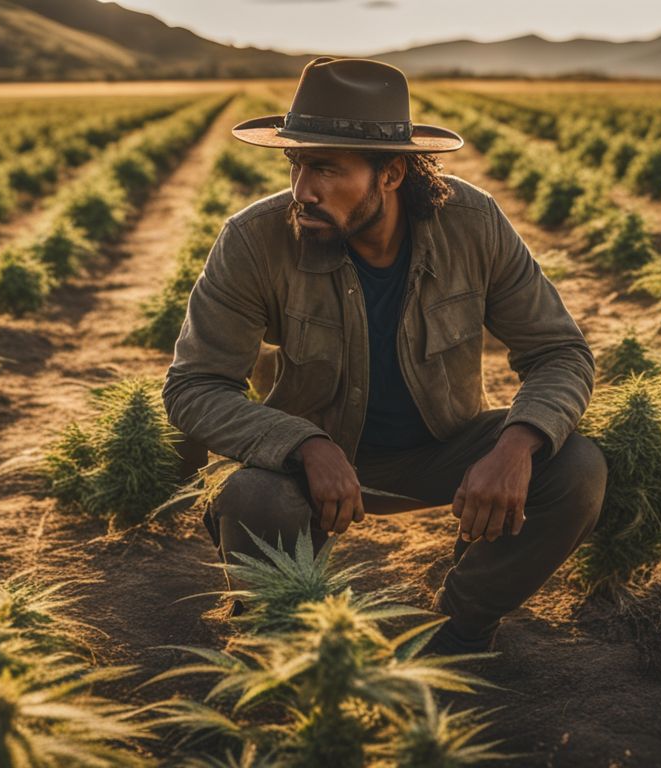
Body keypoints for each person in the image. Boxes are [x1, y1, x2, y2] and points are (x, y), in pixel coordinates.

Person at [161, 56, 607, 655]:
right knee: (252, 497)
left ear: (392, 174)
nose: (303, 191)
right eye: (296, 165)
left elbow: (559, 350)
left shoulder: (473, 226)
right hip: (309, 463)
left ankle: (459, 631)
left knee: (576, 467)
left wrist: (516, 445)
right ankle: (288, 638)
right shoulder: (254, 240)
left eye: (325, 168)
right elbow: (195, 385)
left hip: (441, 447)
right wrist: (303, 444)